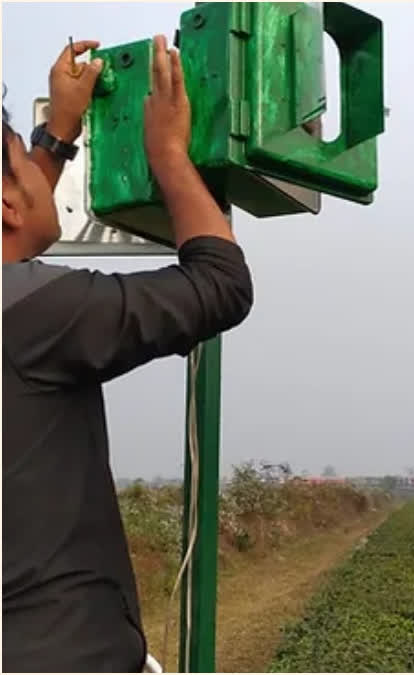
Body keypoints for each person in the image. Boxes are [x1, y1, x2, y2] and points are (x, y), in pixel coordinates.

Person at [3, 35, 254, 671]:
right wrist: (168, 153)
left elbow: (14, 248)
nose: (41, 169)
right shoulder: (33, 316)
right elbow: (221, 286)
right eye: (21, 160)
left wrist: (55, 135)